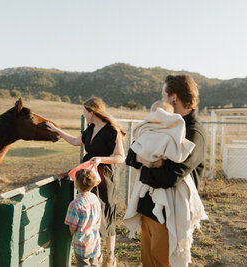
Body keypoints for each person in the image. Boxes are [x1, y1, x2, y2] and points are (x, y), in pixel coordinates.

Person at [125, 74, 207, 267]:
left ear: (174, 98)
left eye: (163, 95)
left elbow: (169, 177)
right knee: (149, 262)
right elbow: (131, 154)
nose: (161, 99)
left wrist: (143, 165)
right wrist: (150, 162)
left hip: (169, 214)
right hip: (148, 208)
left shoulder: (194, 132)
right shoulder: (162, 124)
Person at [47, 97, 125, 267]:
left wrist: (100, 159)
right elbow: (76, 141)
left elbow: (120, 157)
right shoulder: (90, 128)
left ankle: (110, 257)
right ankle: (96, 254)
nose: (83, 114)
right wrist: (57, 131)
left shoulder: (112, 130)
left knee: (106, 214)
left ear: (91, 112)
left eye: (84, 111)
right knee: (92, 215)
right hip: (90, 175)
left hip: (106, 177)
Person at [126, 100, 196, 224]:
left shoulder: (173, 133)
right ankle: (156, 206)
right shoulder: (147, 130)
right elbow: (131, 154)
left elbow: (175, 156)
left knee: (157, 192)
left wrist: (143, 158)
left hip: (158, 184)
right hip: (148, 180)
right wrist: (148, 161)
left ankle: (158, 206)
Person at [65, 169, 102, 267]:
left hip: (82, 242)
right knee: (94, 263)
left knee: (83, 264)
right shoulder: (94, 198)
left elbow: (72, 227)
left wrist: (73, 234)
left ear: (76, 185)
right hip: (94, 239)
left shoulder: (75, 204)